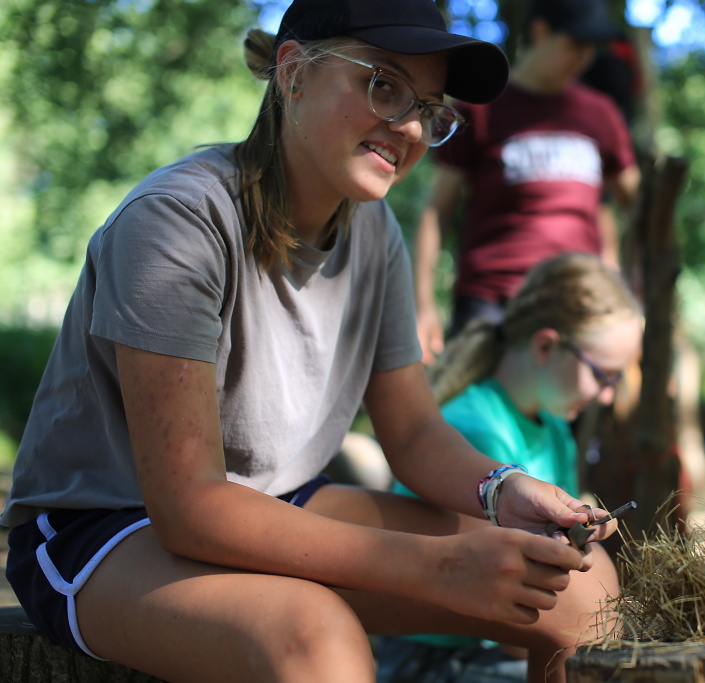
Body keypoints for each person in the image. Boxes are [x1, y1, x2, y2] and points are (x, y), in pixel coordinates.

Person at [0, 2, 624, 682]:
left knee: (582, 593)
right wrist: (437, 567)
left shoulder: (374, 231)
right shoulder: (177, 226)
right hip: (110, 527)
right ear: (293, 72)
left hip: (281, 499)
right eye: (383, 86)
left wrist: (504, 490)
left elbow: (412, 431)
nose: (411, 127)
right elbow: (189, 508)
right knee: (315, 638)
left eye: (429, 108)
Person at [377, 252, 644, 682]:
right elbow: (514, 609)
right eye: (603, 375)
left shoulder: (555, 428)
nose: (608, 396)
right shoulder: (477, 430)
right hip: (438, 656)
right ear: (545, 345)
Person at [413, 0, 641, 364]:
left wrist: (632, 291)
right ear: (540, 32)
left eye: (590, 49)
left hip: (577, 307)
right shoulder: (481, 109)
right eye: (574, 44)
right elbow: (435, 211)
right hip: (490, 303)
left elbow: (643, 209)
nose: (584, 59)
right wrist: (422, 303)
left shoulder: (601, 115)